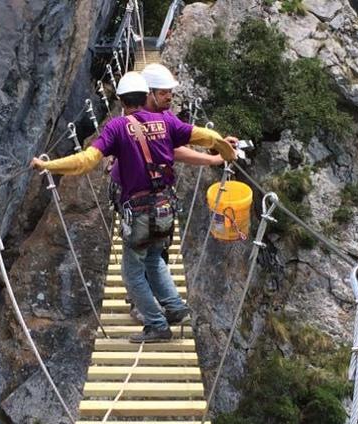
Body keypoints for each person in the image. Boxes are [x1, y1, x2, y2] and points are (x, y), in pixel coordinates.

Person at [31, 71, 237, 343]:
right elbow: (206, 136)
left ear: (120, 100)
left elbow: (85, 161)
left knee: (132, 274)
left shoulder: (116, 128)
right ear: (146, 96)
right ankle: (175, 307)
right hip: (166, 206)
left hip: (139, 212)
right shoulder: (166, 122)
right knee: (153, 257)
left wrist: (48, 165)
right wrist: (226, 151)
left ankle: (157, 325)